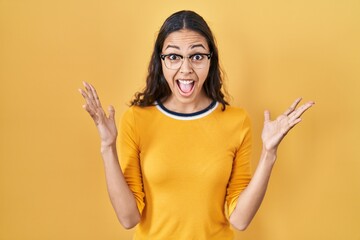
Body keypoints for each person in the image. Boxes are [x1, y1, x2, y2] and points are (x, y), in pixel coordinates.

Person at [79, 10, 314, 239]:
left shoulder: (237, 121)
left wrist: (269, 153)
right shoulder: (136, 119)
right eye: (173, 56)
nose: (186, 68)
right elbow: (128, 218)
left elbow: (240, 220)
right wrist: (107, 147)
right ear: (160, 61)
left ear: (211, 60)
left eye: (197, 56)